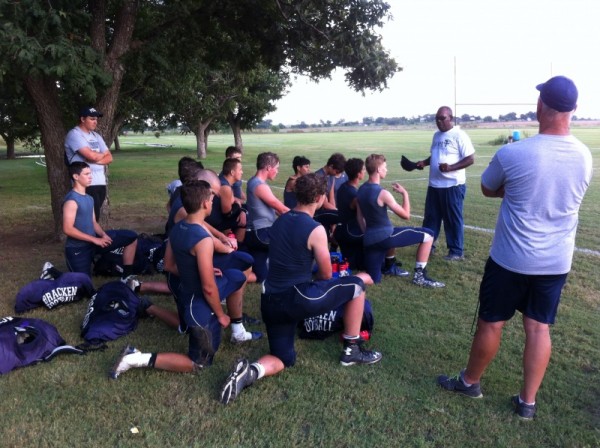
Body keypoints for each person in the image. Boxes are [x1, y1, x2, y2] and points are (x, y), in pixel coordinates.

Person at [437, 76, 592, 420]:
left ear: (540, 107)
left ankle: (470, 382)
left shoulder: (513, 153)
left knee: (492, 324)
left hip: (511, 258)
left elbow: (489, 189)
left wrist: (516, 192)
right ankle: (527, 402)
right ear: (575, 111)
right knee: (539, 328)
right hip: (555, 261)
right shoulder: (584, 156)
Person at [219, 174, 382, 404]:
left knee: (284, 358)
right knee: (356, 285)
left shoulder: (280, 221)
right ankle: (352, 349)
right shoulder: (315, 229)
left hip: (270, 302)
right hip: (297, 298)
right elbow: (325, 275)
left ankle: (251, 372)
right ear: (319, 197)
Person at [110, 180, 251, 378]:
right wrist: (221, 315)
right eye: (211, 199)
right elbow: (209, 288)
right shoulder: (203, 239)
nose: (213, 203)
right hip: (198, 305)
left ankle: (236, 325)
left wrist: (201, 271)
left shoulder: (178, 227)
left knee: (237, 275)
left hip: (185, 291)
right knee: (199, 363)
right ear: (204, 204)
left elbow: (168, 266)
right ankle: (135, 358)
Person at [356, 154, 444, 287]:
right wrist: (405, 194)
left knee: (373, 279)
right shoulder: (383, 193)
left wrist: (368, 234)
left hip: (369, 240)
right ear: (378, 170)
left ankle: (345, 279)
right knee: (429, 235)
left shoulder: (361, 190)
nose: (387, 170)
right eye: (385, 167)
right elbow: (406, 215)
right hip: (385, 237)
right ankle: (420, 276)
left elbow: (359, 217)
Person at [416, 106, 475, 261]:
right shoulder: (436, 136)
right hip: (434, 185)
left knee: (452, 219)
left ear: (451, 118)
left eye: (442, 118)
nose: (439, 121)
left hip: (453, 186)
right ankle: (429, 246)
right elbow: (435, 155)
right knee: (431, 218)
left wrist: (451, 168)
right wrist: (425, 162)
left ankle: (456, 251)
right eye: (437, 118)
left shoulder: (459, 135)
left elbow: (470, 159)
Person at [62, 162, 138, 280]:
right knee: (84, 287)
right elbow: (68, 229)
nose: (90, 176)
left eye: (90, 173)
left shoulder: (89, 198)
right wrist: (95, 239)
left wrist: (103, 235)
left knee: (131, 236)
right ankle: (53, 273)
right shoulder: (72, 200)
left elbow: (93, 222)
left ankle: (127, 276)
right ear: (76, 177)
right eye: (86, 174)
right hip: (78, 249)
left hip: (94, 244)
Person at [244, 152, 289, 282]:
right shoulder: (260, 185)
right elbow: (279, 206)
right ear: (268, 167)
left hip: (254, 234)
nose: (277, 171)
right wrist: (301, 217)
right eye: (277, 168)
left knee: (262, 276)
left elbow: (271, 208)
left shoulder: (253, 181)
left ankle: (232, 275)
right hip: (262, 234)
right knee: (290, 242)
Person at [64, 107, 113, 220]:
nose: (95, 121)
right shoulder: (75, 134)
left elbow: (109, 158)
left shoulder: (96, 136)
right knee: (88, 219)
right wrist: (98, 155)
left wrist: (94, 158)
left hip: (100, 183)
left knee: (95, 218)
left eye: (96, 119)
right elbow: (91, 155)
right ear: (82, 119)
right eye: (92, 119)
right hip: (85, 185)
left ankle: (94, 237)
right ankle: (89, 237)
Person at [333, 158, 366, 270]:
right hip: (351, 233)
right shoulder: (354, 194)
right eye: (363, 169)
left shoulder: (343, 186)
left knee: (351, 262)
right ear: (358, 174)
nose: (365, 171)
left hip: (342, 230)